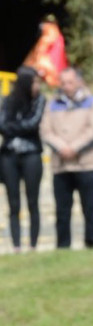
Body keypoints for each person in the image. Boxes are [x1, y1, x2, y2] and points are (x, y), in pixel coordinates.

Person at [40, 67, 93, 249]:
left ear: (79, 82)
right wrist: (62, 147)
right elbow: (46, 130)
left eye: (70, 82)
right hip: (61, 166)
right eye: (63, 83)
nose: (66, 86)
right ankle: (63, 246)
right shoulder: (52, 104)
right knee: (62, 210)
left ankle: (92, 243)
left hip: (86, 164)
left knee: (89, 208)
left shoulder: (92, 102)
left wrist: (74, 147)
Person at [0, 66, 46, 252]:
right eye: (35, 81)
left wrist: (14, 127)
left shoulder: (39, 100)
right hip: (9, 156)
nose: (37, 86)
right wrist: (20, 127)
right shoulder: (8, 101)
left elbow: (33, 124)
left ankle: (33, 245)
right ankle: (16, 245)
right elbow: (2, 125)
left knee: (32, 201)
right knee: (13, 202)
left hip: (31, 154)